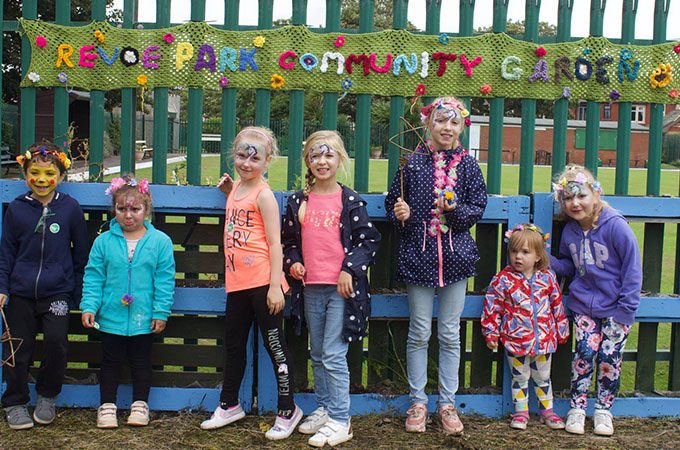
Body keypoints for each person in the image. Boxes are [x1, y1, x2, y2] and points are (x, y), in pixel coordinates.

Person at [385, 97, 487, 434]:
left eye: (454, 122)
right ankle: (418, 401)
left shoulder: (469, 167)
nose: (447, 127)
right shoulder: (412, 162)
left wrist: (454, 211)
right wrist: (401, 215)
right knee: (419, 330)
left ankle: (447, 402)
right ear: (429, 123)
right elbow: (392, 202)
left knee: (449, 332)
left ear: (461, 128)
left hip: (456, 259)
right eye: (441, 121)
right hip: (419, 256)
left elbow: (476, 208)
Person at [200, 126, 301, 440]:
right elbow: (240, 209)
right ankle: (230, 404)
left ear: (268, 161)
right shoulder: (239, 190)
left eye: (254, 158)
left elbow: (275, 244)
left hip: (263, 284)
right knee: (233, 346)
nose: (246, 162)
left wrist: (274, 286)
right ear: (234, 155)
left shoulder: (265, 196)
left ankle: (288, 409)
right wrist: (230, 190)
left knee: (275, 348)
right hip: (237, 284)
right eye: (242, 155)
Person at [281, 130, 380, 447]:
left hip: (341, 291)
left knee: (335, 354)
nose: (321, 161)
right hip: (311, 288)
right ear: (307, 161)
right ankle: (325, 408)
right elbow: (289, 243)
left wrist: (350, 270)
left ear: (340, 159)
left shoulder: (349, 201)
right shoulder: (299, 201)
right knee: (318, 352)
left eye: (328, 155)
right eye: (315, 156)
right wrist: (293, 263)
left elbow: (368, 241)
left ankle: (341, 419)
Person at [0, 143, 87, 430]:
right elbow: (6, 252)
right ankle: (15, 401)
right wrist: (3, 287)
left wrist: (75, 293)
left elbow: (80, 255)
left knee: (56, 344)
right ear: (24, 175)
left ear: (61, 176)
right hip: (20, 293)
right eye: (34, 172)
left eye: (49, 173)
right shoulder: (16, 209)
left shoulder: (70, 209)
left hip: (57, 294)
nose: (41, 179)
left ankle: (47, 396)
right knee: (16, 348)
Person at [550, 165, 641, 436]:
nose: (575, 203)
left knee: (609, 359)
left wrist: (626, 310)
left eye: (581, 196)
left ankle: (603, 410)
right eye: (567, 198)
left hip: (616, 308)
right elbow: (569, 266)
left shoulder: (615, 226)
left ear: (596, 194)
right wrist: (547, 261)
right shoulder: (570, 233)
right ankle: (577, 409)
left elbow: (632, 269)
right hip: (583, 307)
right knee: (584, 355)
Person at [81, 175, 175, 429]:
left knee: (141, 362)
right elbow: (94, 276)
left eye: (135, 209)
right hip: (110, 317)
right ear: (114, 209)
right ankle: (107, 407)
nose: (128, 215)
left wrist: (161, 312)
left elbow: (164, 282)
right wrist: (89, 306)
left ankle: (140, 405)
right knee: (110, 362)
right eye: (122, 209)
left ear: (147, 208)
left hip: (143, 318)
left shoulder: (160, 243)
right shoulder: (103, 242)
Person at [481, 223, 569, 430]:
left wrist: (561, 329)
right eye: (514, 251)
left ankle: (548, 412)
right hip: (516, 340)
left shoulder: (547, 278)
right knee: (519, 378)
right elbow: (493, 307)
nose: (518, 257)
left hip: (544, 340)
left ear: (538, 256)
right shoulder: (503, 279)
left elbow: (557, 304)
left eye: (525, 252)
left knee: (543, 377)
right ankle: (521, 413)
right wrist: (491, 332)